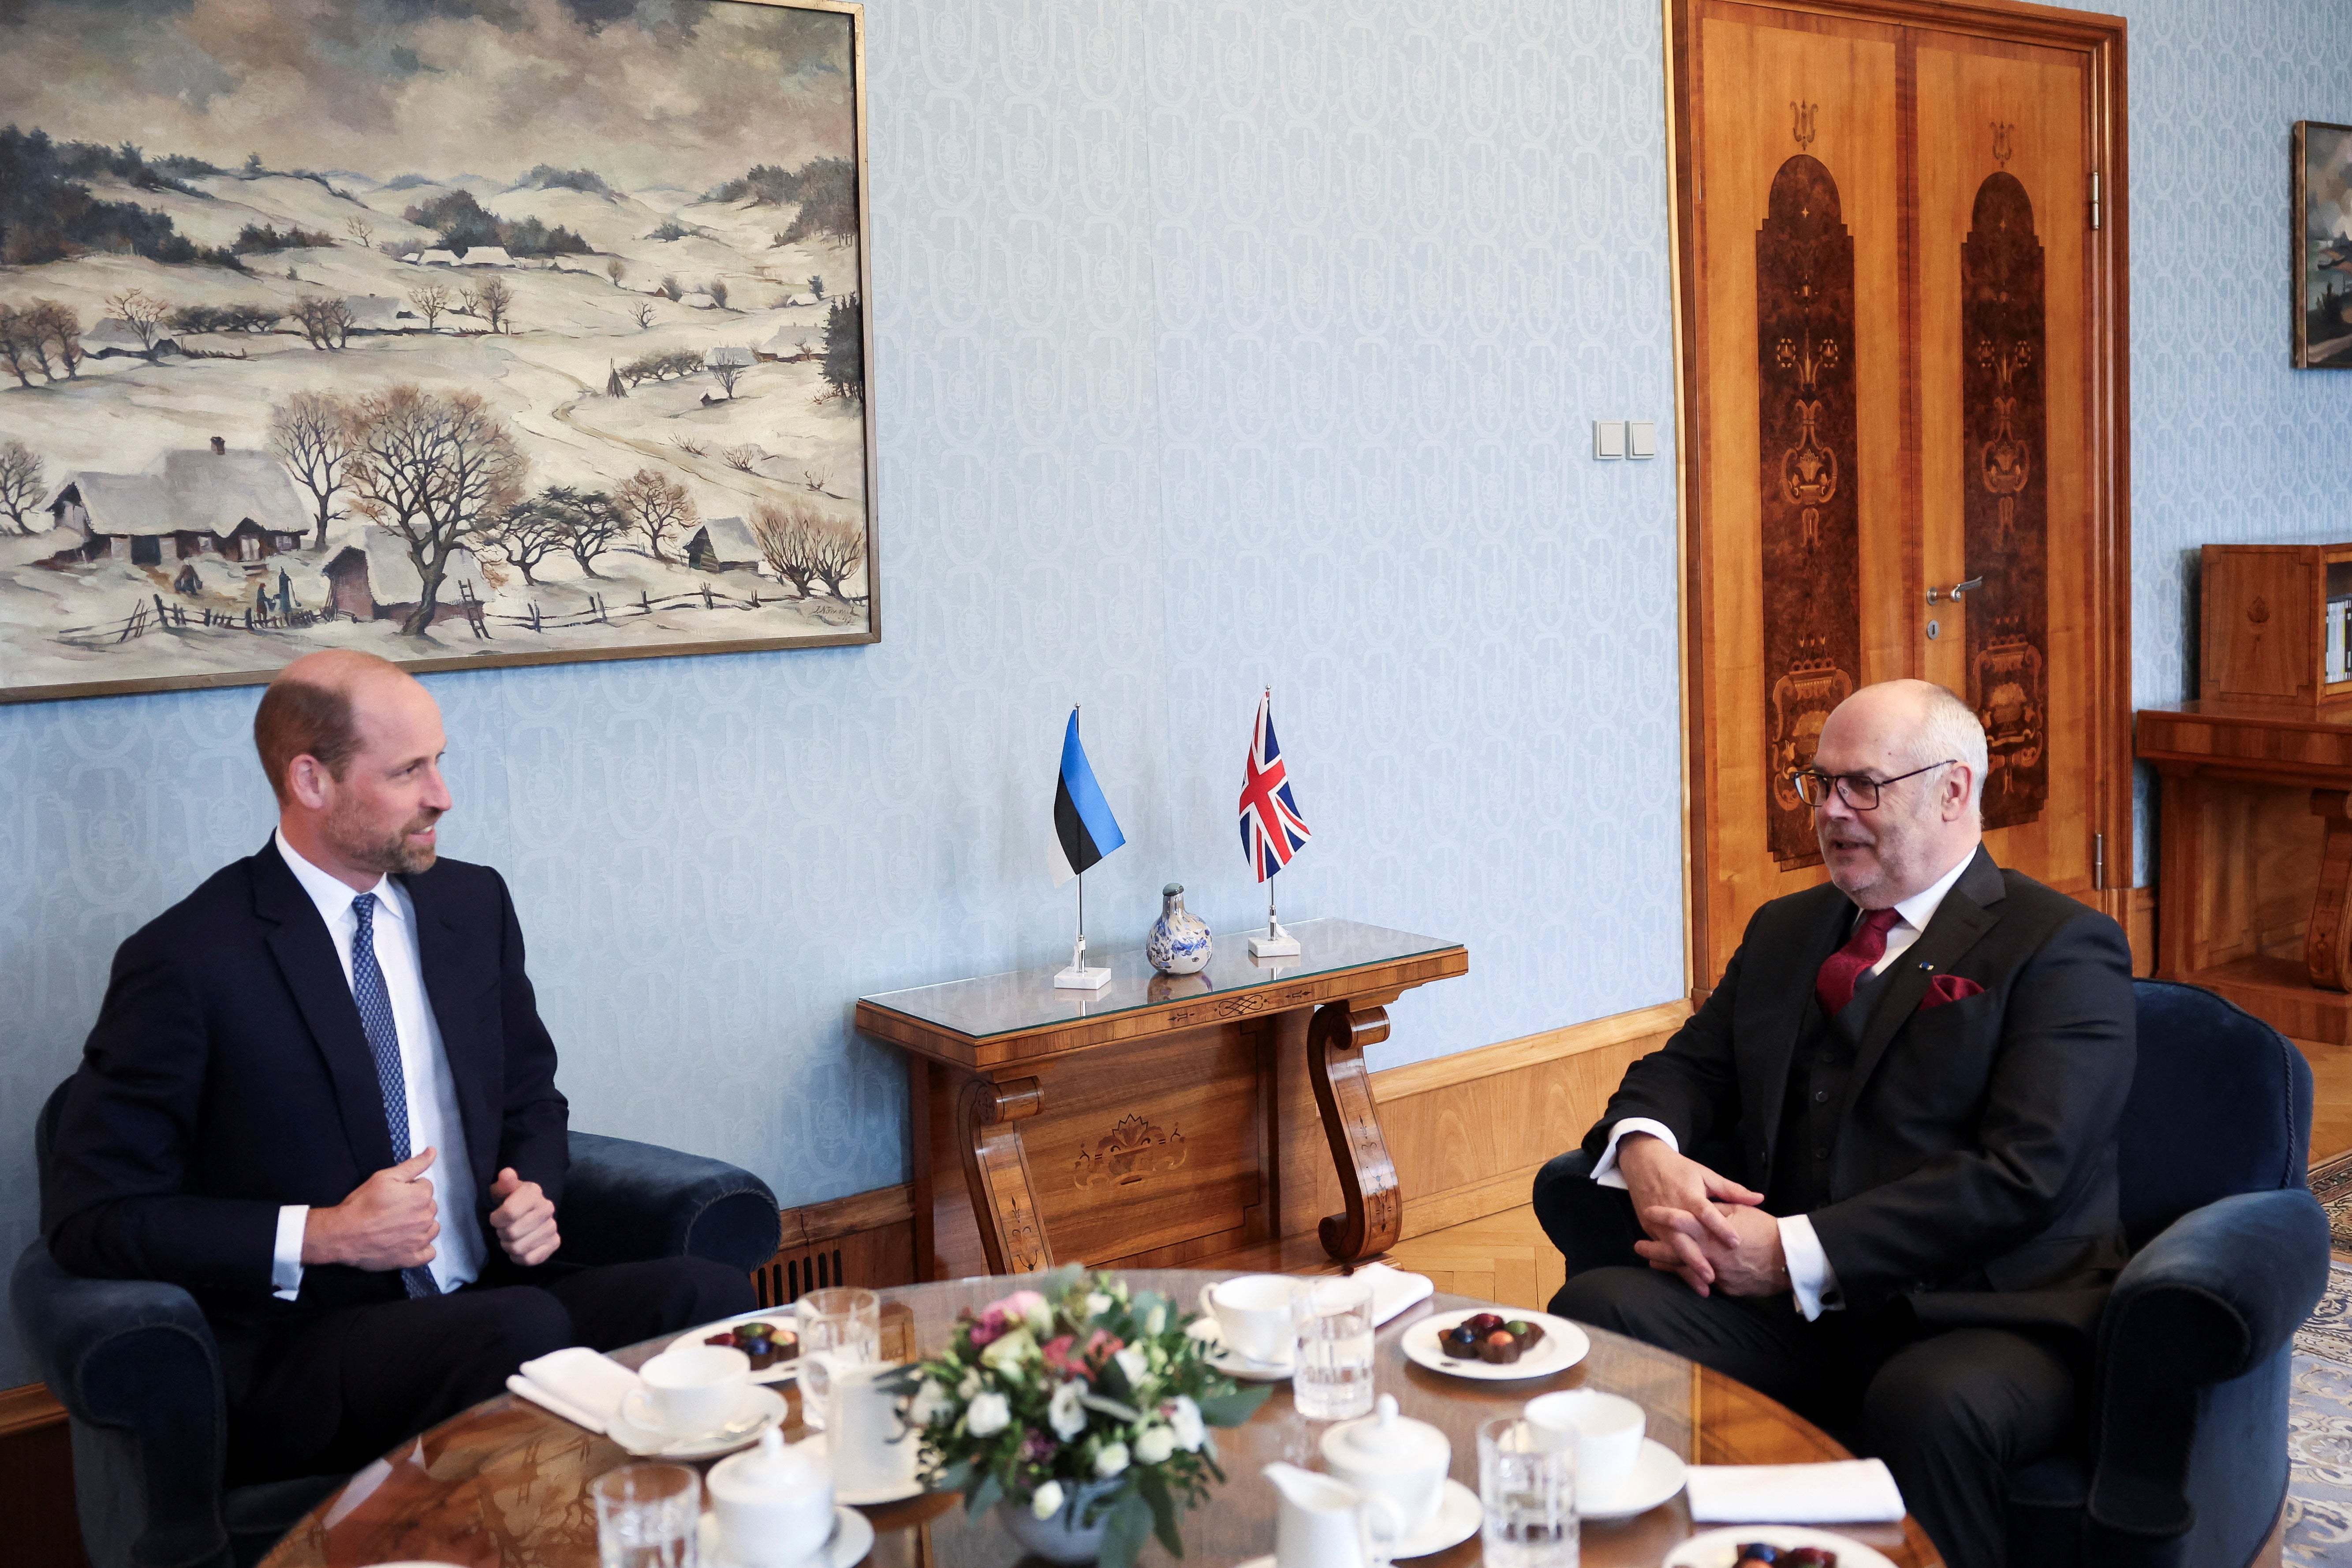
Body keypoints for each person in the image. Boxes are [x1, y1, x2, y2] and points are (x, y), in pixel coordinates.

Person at [41, 649, 754, 1484]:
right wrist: (324, 1233)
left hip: (489, 1295)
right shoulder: (188, 959)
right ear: (311, 782)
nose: (442, 796)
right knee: (519, 1332)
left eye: (439, 762)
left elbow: (530, 1095)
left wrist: (537, 1190)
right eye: (409, 771)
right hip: (310, 1344)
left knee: (708, 1300)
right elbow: (92, 1219)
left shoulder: (471, 903)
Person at [1536, 678, 2134, 1568]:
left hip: (1986, 1311)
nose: (1831, 811)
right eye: (1818, 782)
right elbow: (1686, 1070)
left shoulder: (2062, 946)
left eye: (1864, 784)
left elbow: (2023, 1173)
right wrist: (1648, 1150)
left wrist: (1787, 1250)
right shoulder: (1787, 927)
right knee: (1602, 1306)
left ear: (1955, 789)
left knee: (1926, 1403)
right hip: (1795, 1309)